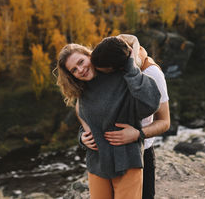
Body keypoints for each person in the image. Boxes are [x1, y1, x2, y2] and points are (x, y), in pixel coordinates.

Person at [56, 40, 161, 199]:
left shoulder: (121, 76)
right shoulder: (82, 90)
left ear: (89, 55)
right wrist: (82, 138)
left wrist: (131, 67)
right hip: (97, 163)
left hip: (126, 161)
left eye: (81, 62)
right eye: (74, 70)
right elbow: (90, 121)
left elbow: (151, 103)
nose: (81, 70)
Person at [82, 35, 170, 199]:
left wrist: (138, 133)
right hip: (106, 156)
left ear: (118, 68)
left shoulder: (152, 73)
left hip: (140, 153)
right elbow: (83, 104)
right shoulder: (111, 51)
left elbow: (165, 122)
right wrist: (84, 132)